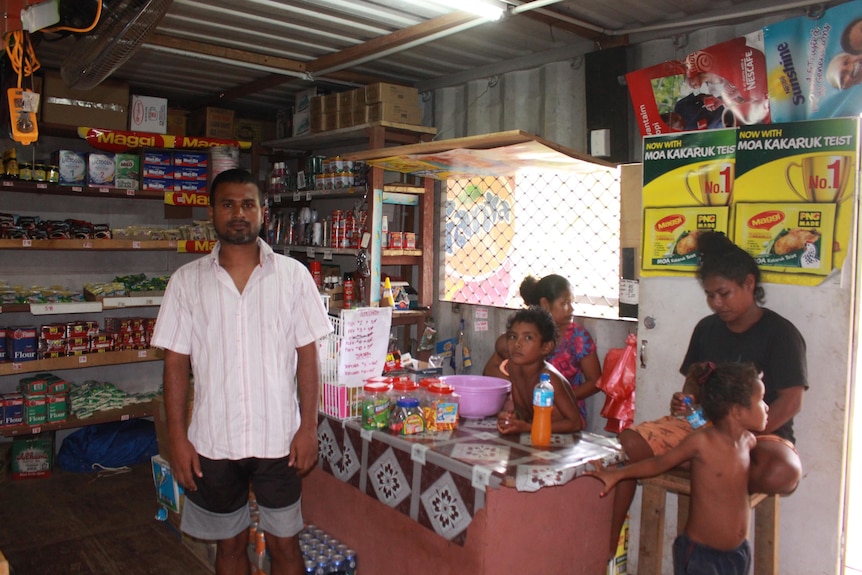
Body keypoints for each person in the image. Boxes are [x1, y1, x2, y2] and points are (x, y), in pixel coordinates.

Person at [150, 168, 332, 575]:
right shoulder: (186, 282)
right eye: (228, 204)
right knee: (228, 548)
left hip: (279, 438)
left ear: (262, 212)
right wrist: (177, 439)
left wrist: (307, 427)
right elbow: (175, 364)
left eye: (247, 204)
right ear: (212, 213)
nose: (238, 213)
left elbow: (308, 356)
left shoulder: (292, 277)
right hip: (214, 440)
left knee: (286, 545)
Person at [605, 230, 807, 560]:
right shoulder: (706, 328)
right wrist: (684, 402)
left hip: (760, 433)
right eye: (710, 295)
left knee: (781, 473)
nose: (717, 303)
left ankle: (698, 461)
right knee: (631, 443)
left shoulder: (781, 334)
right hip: (703, 427)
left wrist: (744, 436)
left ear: (749, 284)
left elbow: (791, 401)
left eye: (724, 293)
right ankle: (608, 545)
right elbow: (694, 384)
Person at [587, 361, 769, 575]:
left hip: (737, 553)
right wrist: (617, 474)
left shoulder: (749, 442)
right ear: (737, 411)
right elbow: (658, 463)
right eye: (761, 401)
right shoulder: (702, 442)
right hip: (702, 556)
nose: (766, 407)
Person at [484, 274, 602, 424]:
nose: (571, 309)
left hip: (563, 415)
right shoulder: (522, 340)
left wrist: (557, 397)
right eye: (565, 303)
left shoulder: (578, 336)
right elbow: (491, 368)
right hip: (531, 412)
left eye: (571, 302)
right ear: (545, 304)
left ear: (547, 347)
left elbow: (596, 381)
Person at [496, 306, 584, 436]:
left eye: (528, 338)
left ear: (546, 347)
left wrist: (527, 428)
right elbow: (523, 410)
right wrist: (513, 417)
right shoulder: (514, 367)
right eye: (513, 336)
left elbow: (575, 423)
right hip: (538, 434)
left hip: (562, 440)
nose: (517, 344)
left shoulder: (549, 378)